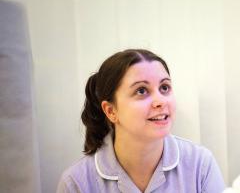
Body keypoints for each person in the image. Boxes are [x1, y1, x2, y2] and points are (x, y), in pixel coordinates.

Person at [57, 49, 225, 193]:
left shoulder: (200, 165)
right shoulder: (77, 183)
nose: (160, 101)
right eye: (142, 90)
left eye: (164, 87)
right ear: (111, 111)